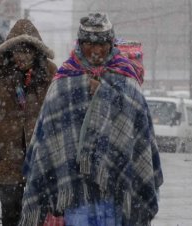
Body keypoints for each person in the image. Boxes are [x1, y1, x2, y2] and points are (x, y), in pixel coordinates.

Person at [19, 13, 164, 226]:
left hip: (115, 188)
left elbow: (139, 132)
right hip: (75, 189)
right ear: (80, 43)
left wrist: (105, 93)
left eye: (102, 44)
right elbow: (48, 135)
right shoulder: (63, 81)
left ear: (110, 44)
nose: (95, 50)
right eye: (88, 43)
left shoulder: (126, 80)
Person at [0, 19, 57, 226]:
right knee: (10, 210)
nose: (22, 56)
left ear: (36, 52)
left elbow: (59, 104)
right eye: (18, 51)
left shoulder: (49, 72)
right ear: (11, 50)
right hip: (6, 152)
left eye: (28, 51)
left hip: (40, 151)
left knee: (39, 209)